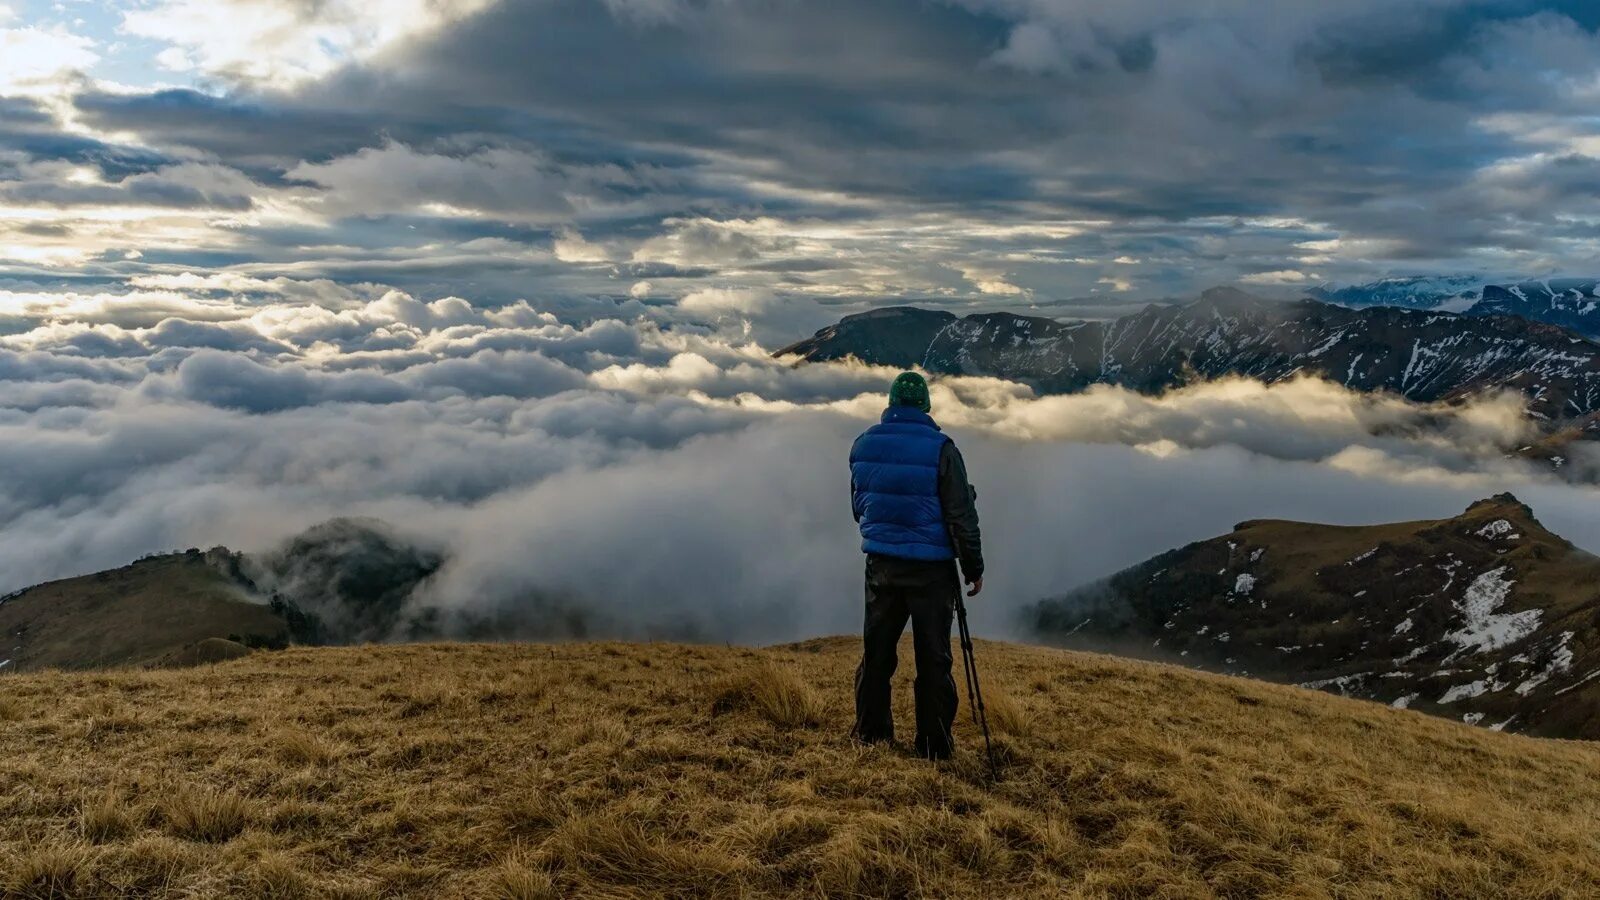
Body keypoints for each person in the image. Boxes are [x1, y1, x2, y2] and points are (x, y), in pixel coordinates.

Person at [849, 371, 984, 760]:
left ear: (891, 404)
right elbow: (961, 515)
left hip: (882, 566)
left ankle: (872, 736)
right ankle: (933, 746)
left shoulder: (863, 445)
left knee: (877, 655)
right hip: (932, 572)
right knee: (933, 659)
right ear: (925, 405)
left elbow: (860, 509)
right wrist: (973, 568)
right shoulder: (943, 449)